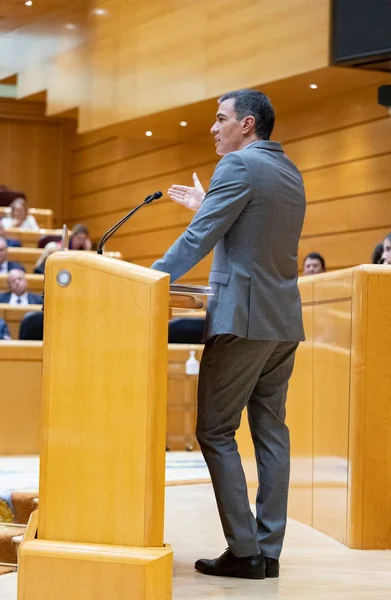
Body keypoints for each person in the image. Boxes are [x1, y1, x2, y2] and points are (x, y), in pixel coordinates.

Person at [151, 89, 306, 580]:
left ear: (248, 124)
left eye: (221, 119)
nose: (214, 128)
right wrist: (206, 204)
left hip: (242, 320)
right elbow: (249, 234)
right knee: (271, 434)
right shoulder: (288, 172)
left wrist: (148, 278)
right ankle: (268, 549)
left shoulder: (237, 167)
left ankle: (244, 551)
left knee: (215, 429)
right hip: (282, 323)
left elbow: (201, 238)